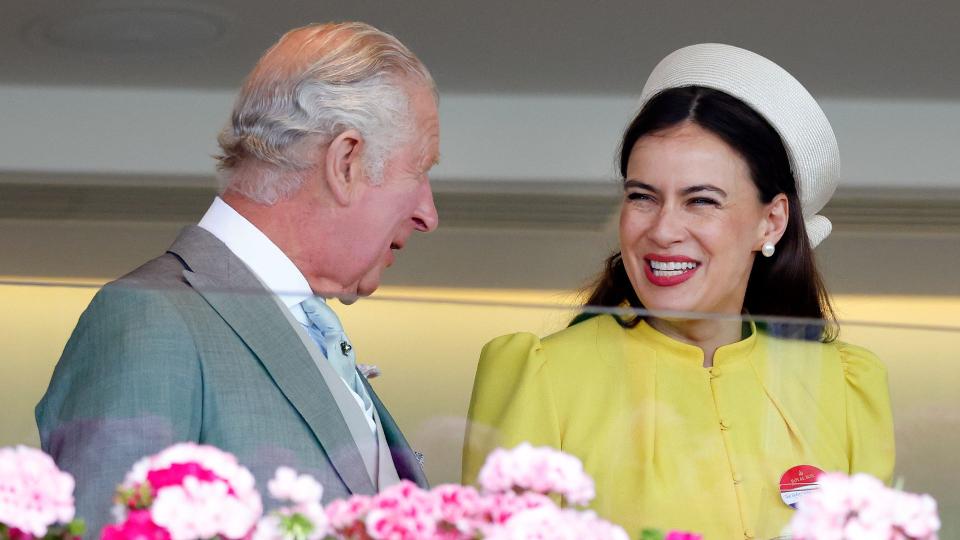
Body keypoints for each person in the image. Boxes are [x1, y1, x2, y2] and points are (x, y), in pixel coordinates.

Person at [462, 44, 894, 539]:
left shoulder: (845, 384)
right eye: (642, 197)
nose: (664, 230)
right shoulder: (540, 374)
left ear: (771, 221)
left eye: (701, 201)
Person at [36, 21, 439, 536]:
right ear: (345, 161)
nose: (429, 213)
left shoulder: (302, 322)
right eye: (420, 169)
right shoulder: (150, 319)